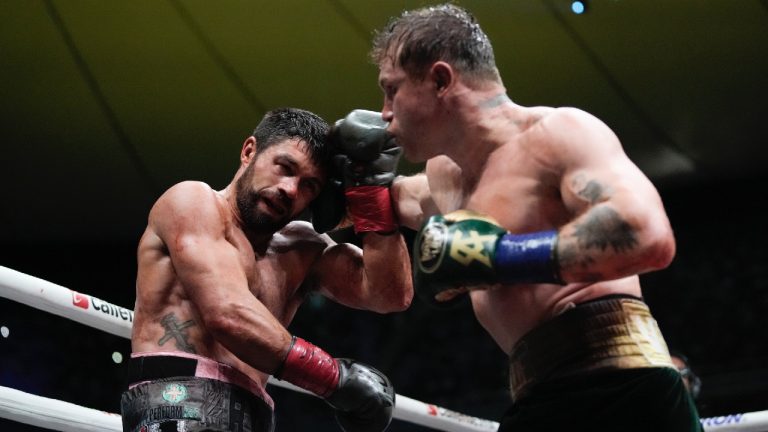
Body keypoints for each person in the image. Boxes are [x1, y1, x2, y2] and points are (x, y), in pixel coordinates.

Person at [348, 3, 702, 431]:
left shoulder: (558, 134)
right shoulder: (447, 177)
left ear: (441, 80)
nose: (384, 112)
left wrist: (501, 255)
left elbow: (646, 232)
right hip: (542, 395)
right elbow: (390, 200)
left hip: (623, 385)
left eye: (392, 90)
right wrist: (350, 175)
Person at [120, 107, 413, 432]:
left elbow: (389, 294)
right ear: (249, 151)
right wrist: (333, 378)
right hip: (175, 402)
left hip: (254, 415)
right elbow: (228, 314)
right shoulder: (192, 203)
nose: (290, 189)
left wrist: (370, 194)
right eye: (285, 167)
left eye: (309, 187)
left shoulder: (302, 249)